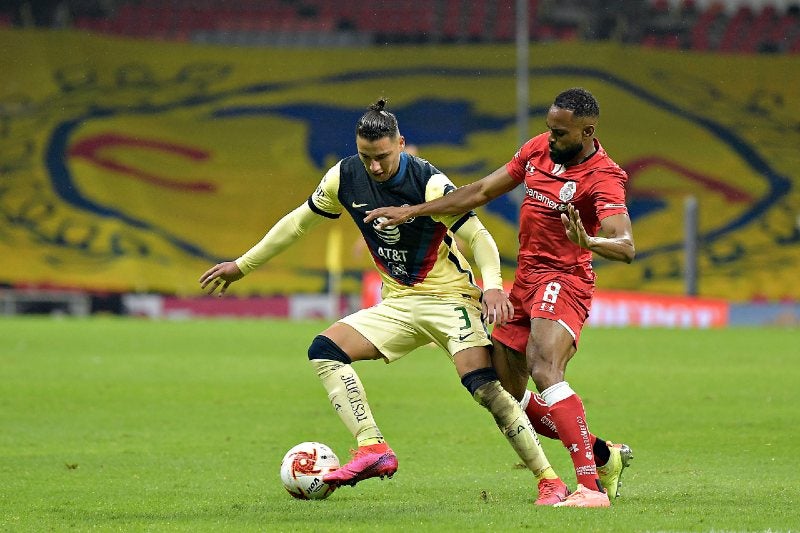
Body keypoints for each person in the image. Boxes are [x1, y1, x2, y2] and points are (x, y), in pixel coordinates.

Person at [199, 99, 571, 505]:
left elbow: (477, 236)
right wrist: (243, 265)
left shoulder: (427, 181)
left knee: (486, 390)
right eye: (366, 157)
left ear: (401, 144)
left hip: (451, 301)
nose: (374, 167)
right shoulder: (344, 175)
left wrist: (495, 285)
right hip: (397, 302)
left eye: (381, 157)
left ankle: (549, 479)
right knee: (324, 350)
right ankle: (372, 445)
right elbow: (297, 223)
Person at [364, 87, 636, 508]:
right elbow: (480, 192)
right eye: (548, 129)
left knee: (545, 368)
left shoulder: (603, 176)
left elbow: (626, 244)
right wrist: (412, 210)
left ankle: (590, 489)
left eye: (560, 134)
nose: (551, 139)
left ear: (588, 131)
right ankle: (604, 455)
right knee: (507, 396)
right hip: (526, 282)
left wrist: (591, 240)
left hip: (564, 280)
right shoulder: (536, 151)